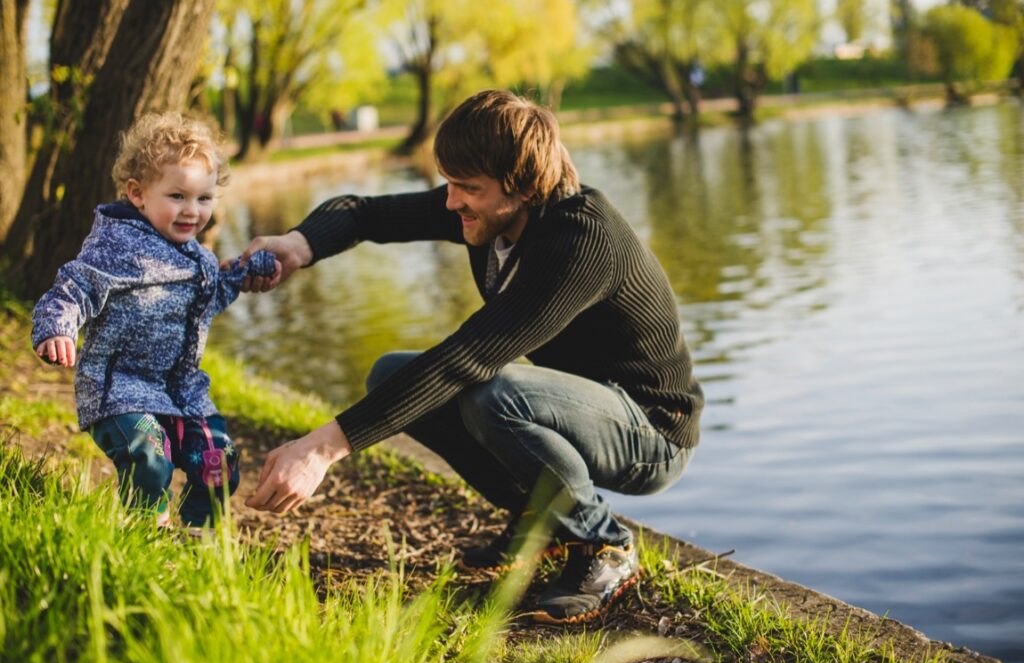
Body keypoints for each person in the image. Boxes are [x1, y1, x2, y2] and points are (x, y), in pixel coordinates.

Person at [241, 90, 704, 624]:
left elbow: (468, 357)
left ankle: (606, 546)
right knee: (389, 373)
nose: (451, 201)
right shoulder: (490, 212)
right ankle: (541, 521)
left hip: (652, 433)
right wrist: (299, 244)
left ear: (524, 186)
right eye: (451, 182)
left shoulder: (581, 240)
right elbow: (364, 214)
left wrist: (322, 449)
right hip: (584, 412)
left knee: (492, 394)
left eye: (468, 188)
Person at [31, 112, 278, 530]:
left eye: (203, 198)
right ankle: (146, 532)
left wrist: (242, 274)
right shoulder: (117, 246)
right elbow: (74, 289)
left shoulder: (197, 256)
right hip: (120, 391)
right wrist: (56, 326)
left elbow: (206, 297)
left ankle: (196, 533)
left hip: (184, 393)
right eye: (177, 196)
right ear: (138, 193)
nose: (192, 211)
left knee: (220, 464)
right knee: (150, 454)